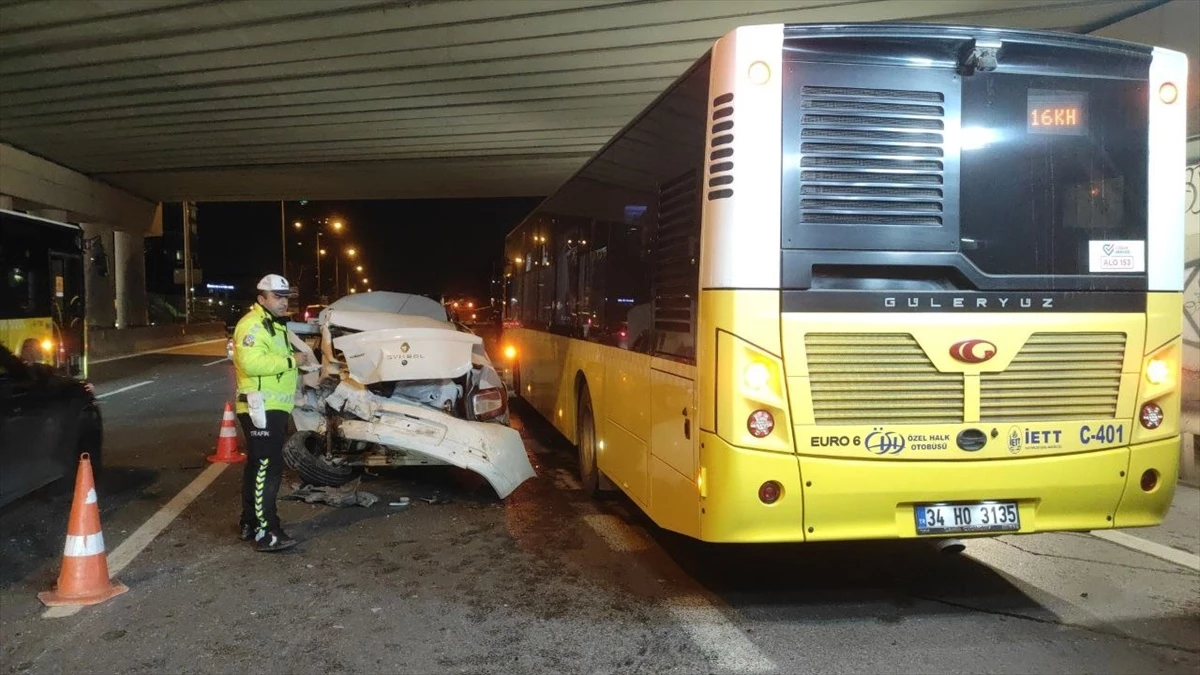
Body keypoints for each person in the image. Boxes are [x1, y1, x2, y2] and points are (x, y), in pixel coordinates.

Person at [232, 274, 309, 552]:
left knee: (257, 466)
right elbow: (252, 363)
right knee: (267, 467)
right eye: (277, 296)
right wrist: (292, 360)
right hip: (260, 407)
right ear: (261, 298)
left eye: (285, 296)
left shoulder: (274, 326)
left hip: (270, 406)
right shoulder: (252, 325)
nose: (283, 302)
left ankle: (250, 522)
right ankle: (268, 532)